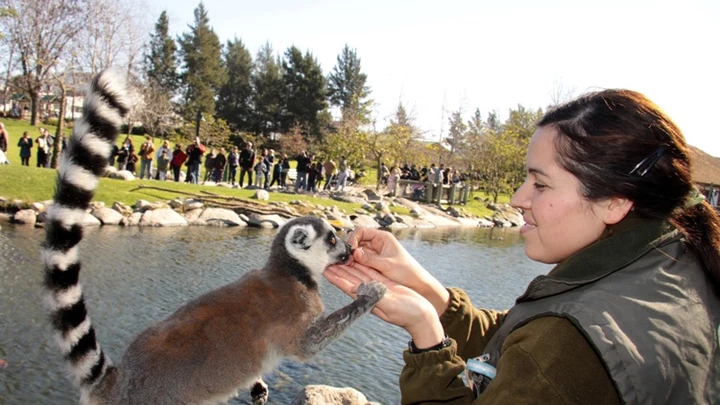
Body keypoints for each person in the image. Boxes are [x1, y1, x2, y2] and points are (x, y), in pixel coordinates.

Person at [326, 89, 720, 404]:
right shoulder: (671, 258)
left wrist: (426, 337)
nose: (518, 198)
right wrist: (426, 289)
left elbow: (543, 349)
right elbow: (516, 337)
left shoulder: (566, 344)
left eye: (540, 184)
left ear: (614, 201)